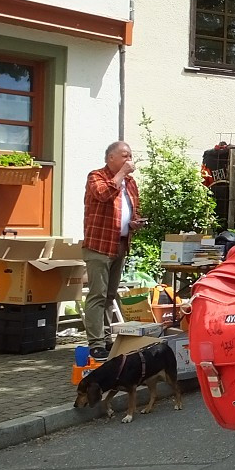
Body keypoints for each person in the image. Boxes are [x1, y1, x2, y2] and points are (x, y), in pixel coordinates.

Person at [83, 141, 145, 361]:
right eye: (124, 156)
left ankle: (107, 338)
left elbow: (131, 211)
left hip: (120, 243)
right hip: (99, 245)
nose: (129, 160)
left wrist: (135, 222)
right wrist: (120, 174)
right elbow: (103, 194)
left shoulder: (130, 182)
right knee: (97, 295)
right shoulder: (96, 176)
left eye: (130, 156)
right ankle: (95, 343)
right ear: (111, 158)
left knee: (110, 296)